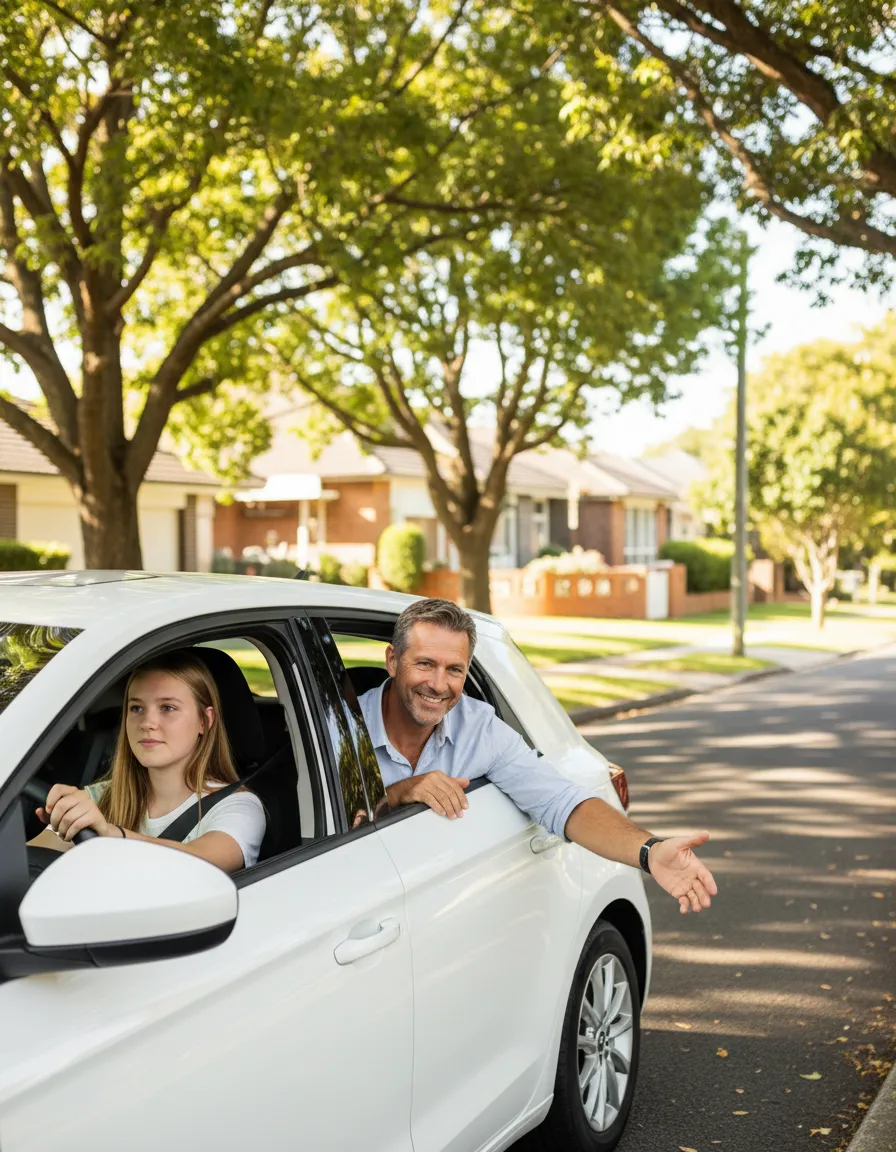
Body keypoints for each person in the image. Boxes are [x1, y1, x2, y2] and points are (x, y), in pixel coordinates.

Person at [359, 598, 718, 915]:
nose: (439, 684)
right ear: (393, 660)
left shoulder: (480, 728)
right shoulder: (339, 729)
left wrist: (650, 852)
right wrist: (399, 792)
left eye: (454, 669)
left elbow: (561, 802)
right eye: (425, 664)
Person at [31, 650, 266, 873]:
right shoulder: (100, 798)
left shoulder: (238, 806)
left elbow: (204, 863)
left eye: (168, 708)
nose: (147, 723)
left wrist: (111, 835)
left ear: (204, 721)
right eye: (137, 708)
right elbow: (27, 863)